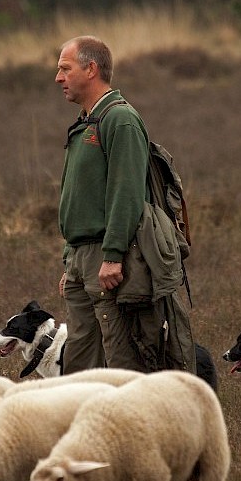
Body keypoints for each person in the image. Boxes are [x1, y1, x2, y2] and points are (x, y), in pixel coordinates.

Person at [54, 35, 195, 375]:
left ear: (91, 69)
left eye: (65, 69)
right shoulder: (86, 122)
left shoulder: (121, 120)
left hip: (108, 262)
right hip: (82, 261)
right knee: (81, 369)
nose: (58, 78)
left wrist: (113, 256)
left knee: (122, 366)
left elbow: (126, 194)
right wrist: (70, 260)